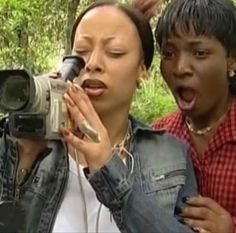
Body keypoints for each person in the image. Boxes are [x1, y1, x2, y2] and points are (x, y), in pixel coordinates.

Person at [0, 0, 197, 232]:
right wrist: (23, 160)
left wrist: (108, 168)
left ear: (142, 70)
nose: (92, 64)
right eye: (81, 53)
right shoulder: (16, 141)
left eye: (115, 52)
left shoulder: (169, 154)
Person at [153, 0, 236, 232]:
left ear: (231, 59)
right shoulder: (159, 137)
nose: (180, 68)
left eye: (199, 53)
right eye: (169, 53)